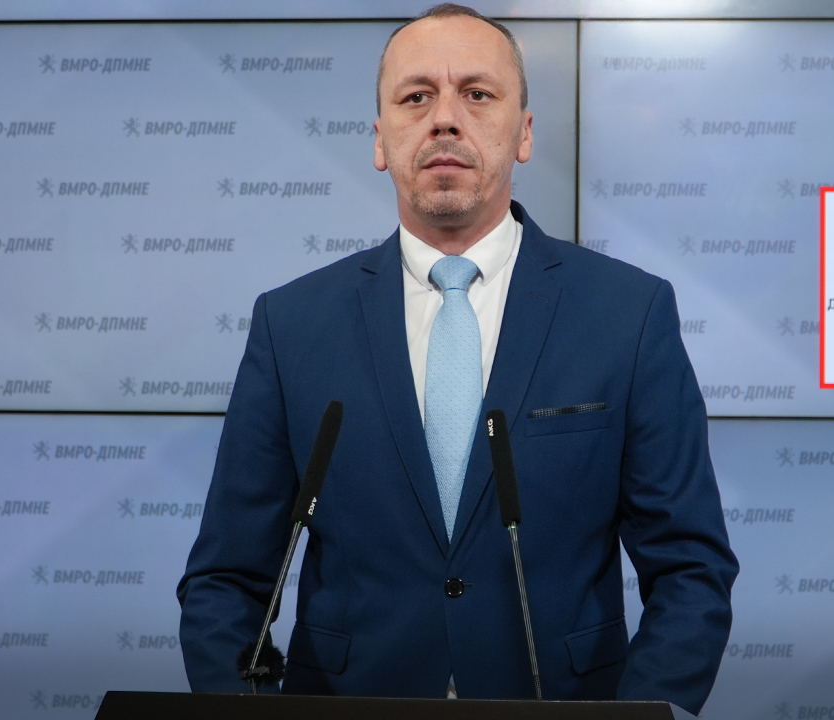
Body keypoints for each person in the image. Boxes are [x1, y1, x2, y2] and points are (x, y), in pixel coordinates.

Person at [177, 4, 738, 714]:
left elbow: (690, 568)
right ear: (380, 140)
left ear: (524, 133)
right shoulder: (291, 325)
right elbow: (226, 580)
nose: (444, 119)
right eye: (416, 97)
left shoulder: (629, 314)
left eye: (477, 93)